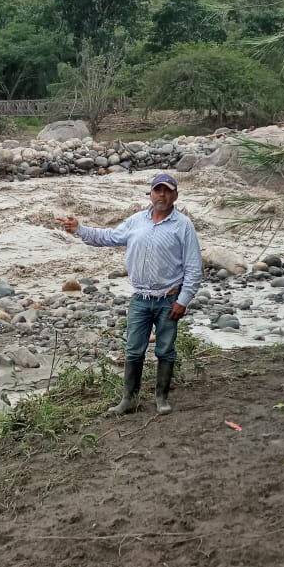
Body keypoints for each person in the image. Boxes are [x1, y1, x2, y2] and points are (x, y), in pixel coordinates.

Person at [57, 173, 203, 416]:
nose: (162, 195)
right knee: (134, 350)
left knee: (165, 349)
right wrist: (80, 229)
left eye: (167, 191)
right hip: (141, 299)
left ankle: (161, 398)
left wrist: (183, 300)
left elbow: (193, 267)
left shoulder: (183, 225)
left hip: (170, 298)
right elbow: (109, 237)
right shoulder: (136, 221)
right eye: (158, 190)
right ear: (151, 193)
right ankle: (129, 400)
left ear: (175, 195)